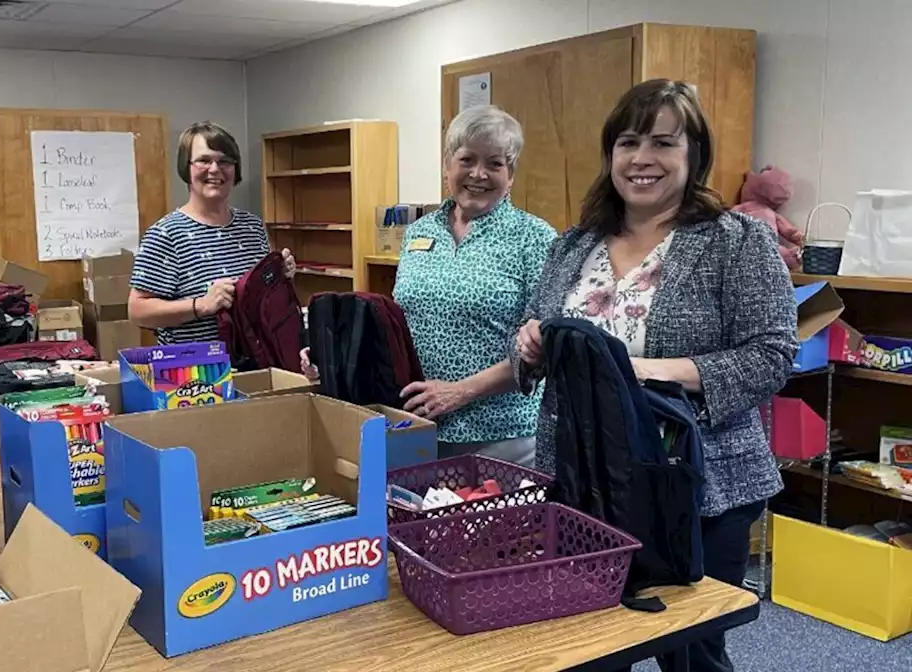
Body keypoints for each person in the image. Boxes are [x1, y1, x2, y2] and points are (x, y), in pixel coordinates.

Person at [514, 79, 795, 672]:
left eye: (664, 143)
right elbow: (531, 330)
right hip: (584, 478)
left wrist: (639, 371)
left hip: (697, 481)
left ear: (693, 155)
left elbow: (772, 353)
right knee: (587, 641)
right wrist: (530, 346)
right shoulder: (573, 245)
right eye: (628, 142)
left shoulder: (737, 242)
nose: (642, 158)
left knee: (691, 650)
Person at [303, 105, 555, 467]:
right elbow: (396, 323)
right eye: (467, 159)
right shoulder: (420, 232)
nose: (478, 174)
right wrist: (331, 355)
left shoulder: (535, 238)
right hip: (416, 425)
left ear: (511, 174)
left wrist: (460, 392)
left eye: (495, 163)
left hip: (502, 435)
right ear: (447, 166)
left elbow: (543, 349)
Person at [129, 122, 295, 344]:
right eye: (204, 160)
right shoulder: (166, 234)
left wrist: (280, 275)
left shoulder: (252, 227)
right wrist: (202, 305)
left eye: (225, 161)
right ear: (186, 168)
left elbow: (259, 297)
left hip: (255, 364)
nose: (215, 169)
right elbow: (138, 311)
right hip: (195, 371)